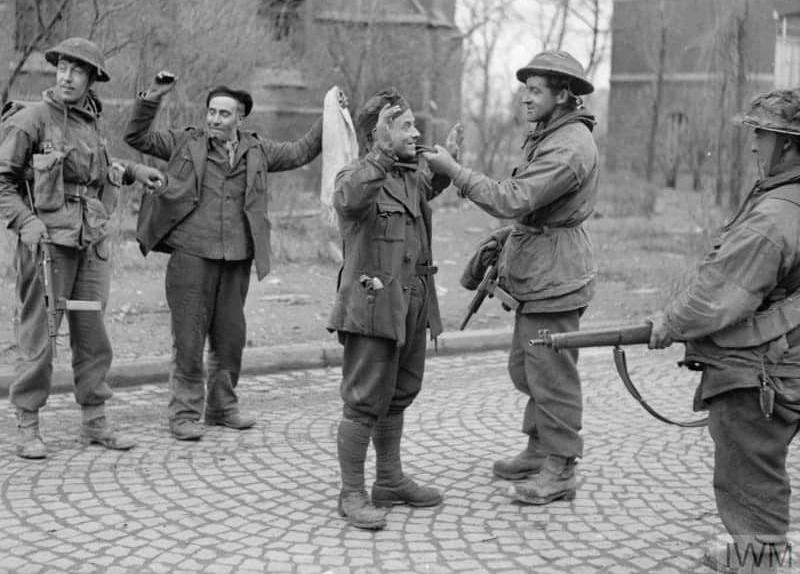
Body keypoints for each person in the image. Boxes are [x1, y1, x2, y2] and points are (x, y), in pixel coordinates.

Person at [422, 50, 598, 506]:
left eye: (535, 90)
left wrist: (455, 173)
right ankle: (540, 448)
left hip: (556, 278)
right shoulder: (551, 134)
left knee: (552, 374)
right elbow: (534, 208)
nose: (525, 98)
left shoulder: (569, 146)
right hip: (542, 272)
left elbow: (514, 198)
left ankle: (561, 467)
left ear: (563, 95)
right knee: (527, 367)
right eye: (525, 89)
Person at [124, 73, 330, 442]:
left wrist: (330, 115)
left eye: (223, 114)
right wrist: (152, 96)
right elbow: (137, 137)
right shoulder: (185, 142)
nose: (215, 119)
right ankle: (184, 413)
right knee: (188, 338)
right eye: (211, 112)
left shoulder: (258, 150)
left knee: (230, 338)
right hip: (191, 255)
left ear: (240, 118)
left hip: (237, 258)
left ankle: (222, 407)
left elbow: (300, 151)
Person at [650, 89, 800, 573]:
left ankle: (759, 561)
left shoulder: (775, 216)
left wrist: (668, 322)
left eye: (762, 134)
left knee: (749, 471)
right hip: (788, 357)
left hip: (763, 368)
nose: (754, 143)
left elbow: (718, 296)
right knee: (761, 462)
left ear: (788, 143)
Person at [0, 37, 165, 459]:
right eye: (62, 68)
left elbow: (99, 170)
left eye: (77, 70)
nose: (67, 77)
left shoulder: (90, 121)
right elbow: (3, 180)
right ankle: (28, 424)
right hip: (48, 246)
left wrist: (136, 170)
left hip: (91, 241)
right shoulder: (32, 119)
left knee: (93, 334)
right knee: (39, 335)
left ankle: (95, 420)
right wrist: (26, 222)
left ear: (92, 79)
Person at [328, 88, 459, 530]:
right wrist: (382, 153)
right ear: (378, 133)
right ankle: (351, 493)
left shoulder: (406, 176)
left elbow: (425, 189)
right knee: (364, 400)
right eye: (405, 126)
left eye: (413, 125)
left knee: (399, 393)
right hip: (372, 309)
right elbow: (349, 200)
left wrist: (449, 164)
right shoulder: (357, 175)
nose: (415, 133)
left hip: (412, 303)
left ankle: (389, 480)